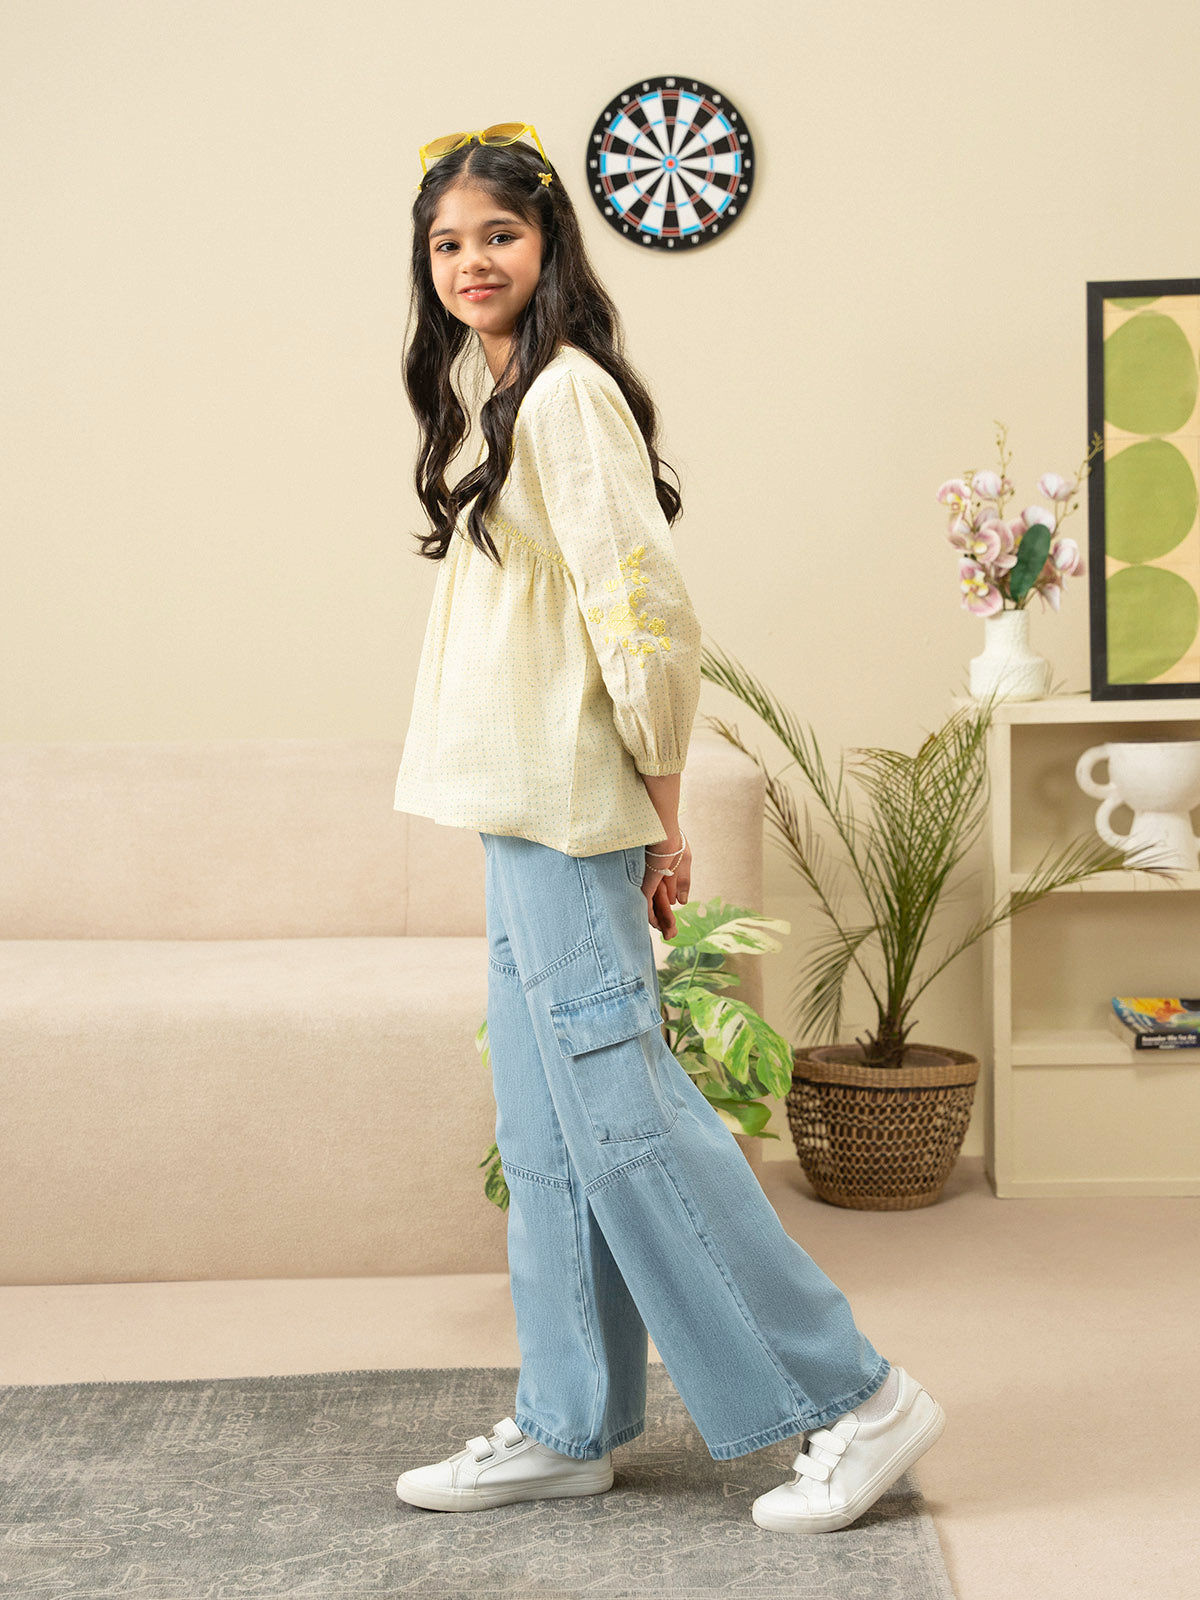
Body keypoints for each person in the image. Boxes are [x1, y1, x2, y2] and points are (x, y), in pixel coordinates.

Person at [391, 121, 945, 1535]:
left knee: (630, 1120)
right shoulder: (498, 397)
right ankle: (568, 1423)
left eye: (499, 236)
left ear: (550, 245)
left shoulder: (567, 395)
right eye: (448, 243)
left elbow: (643, 609)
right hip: (519, 812)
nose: (471, 262)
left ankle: (860, 1396)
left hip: (577, 816)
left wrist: (660, 808)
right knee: (551, 1131)